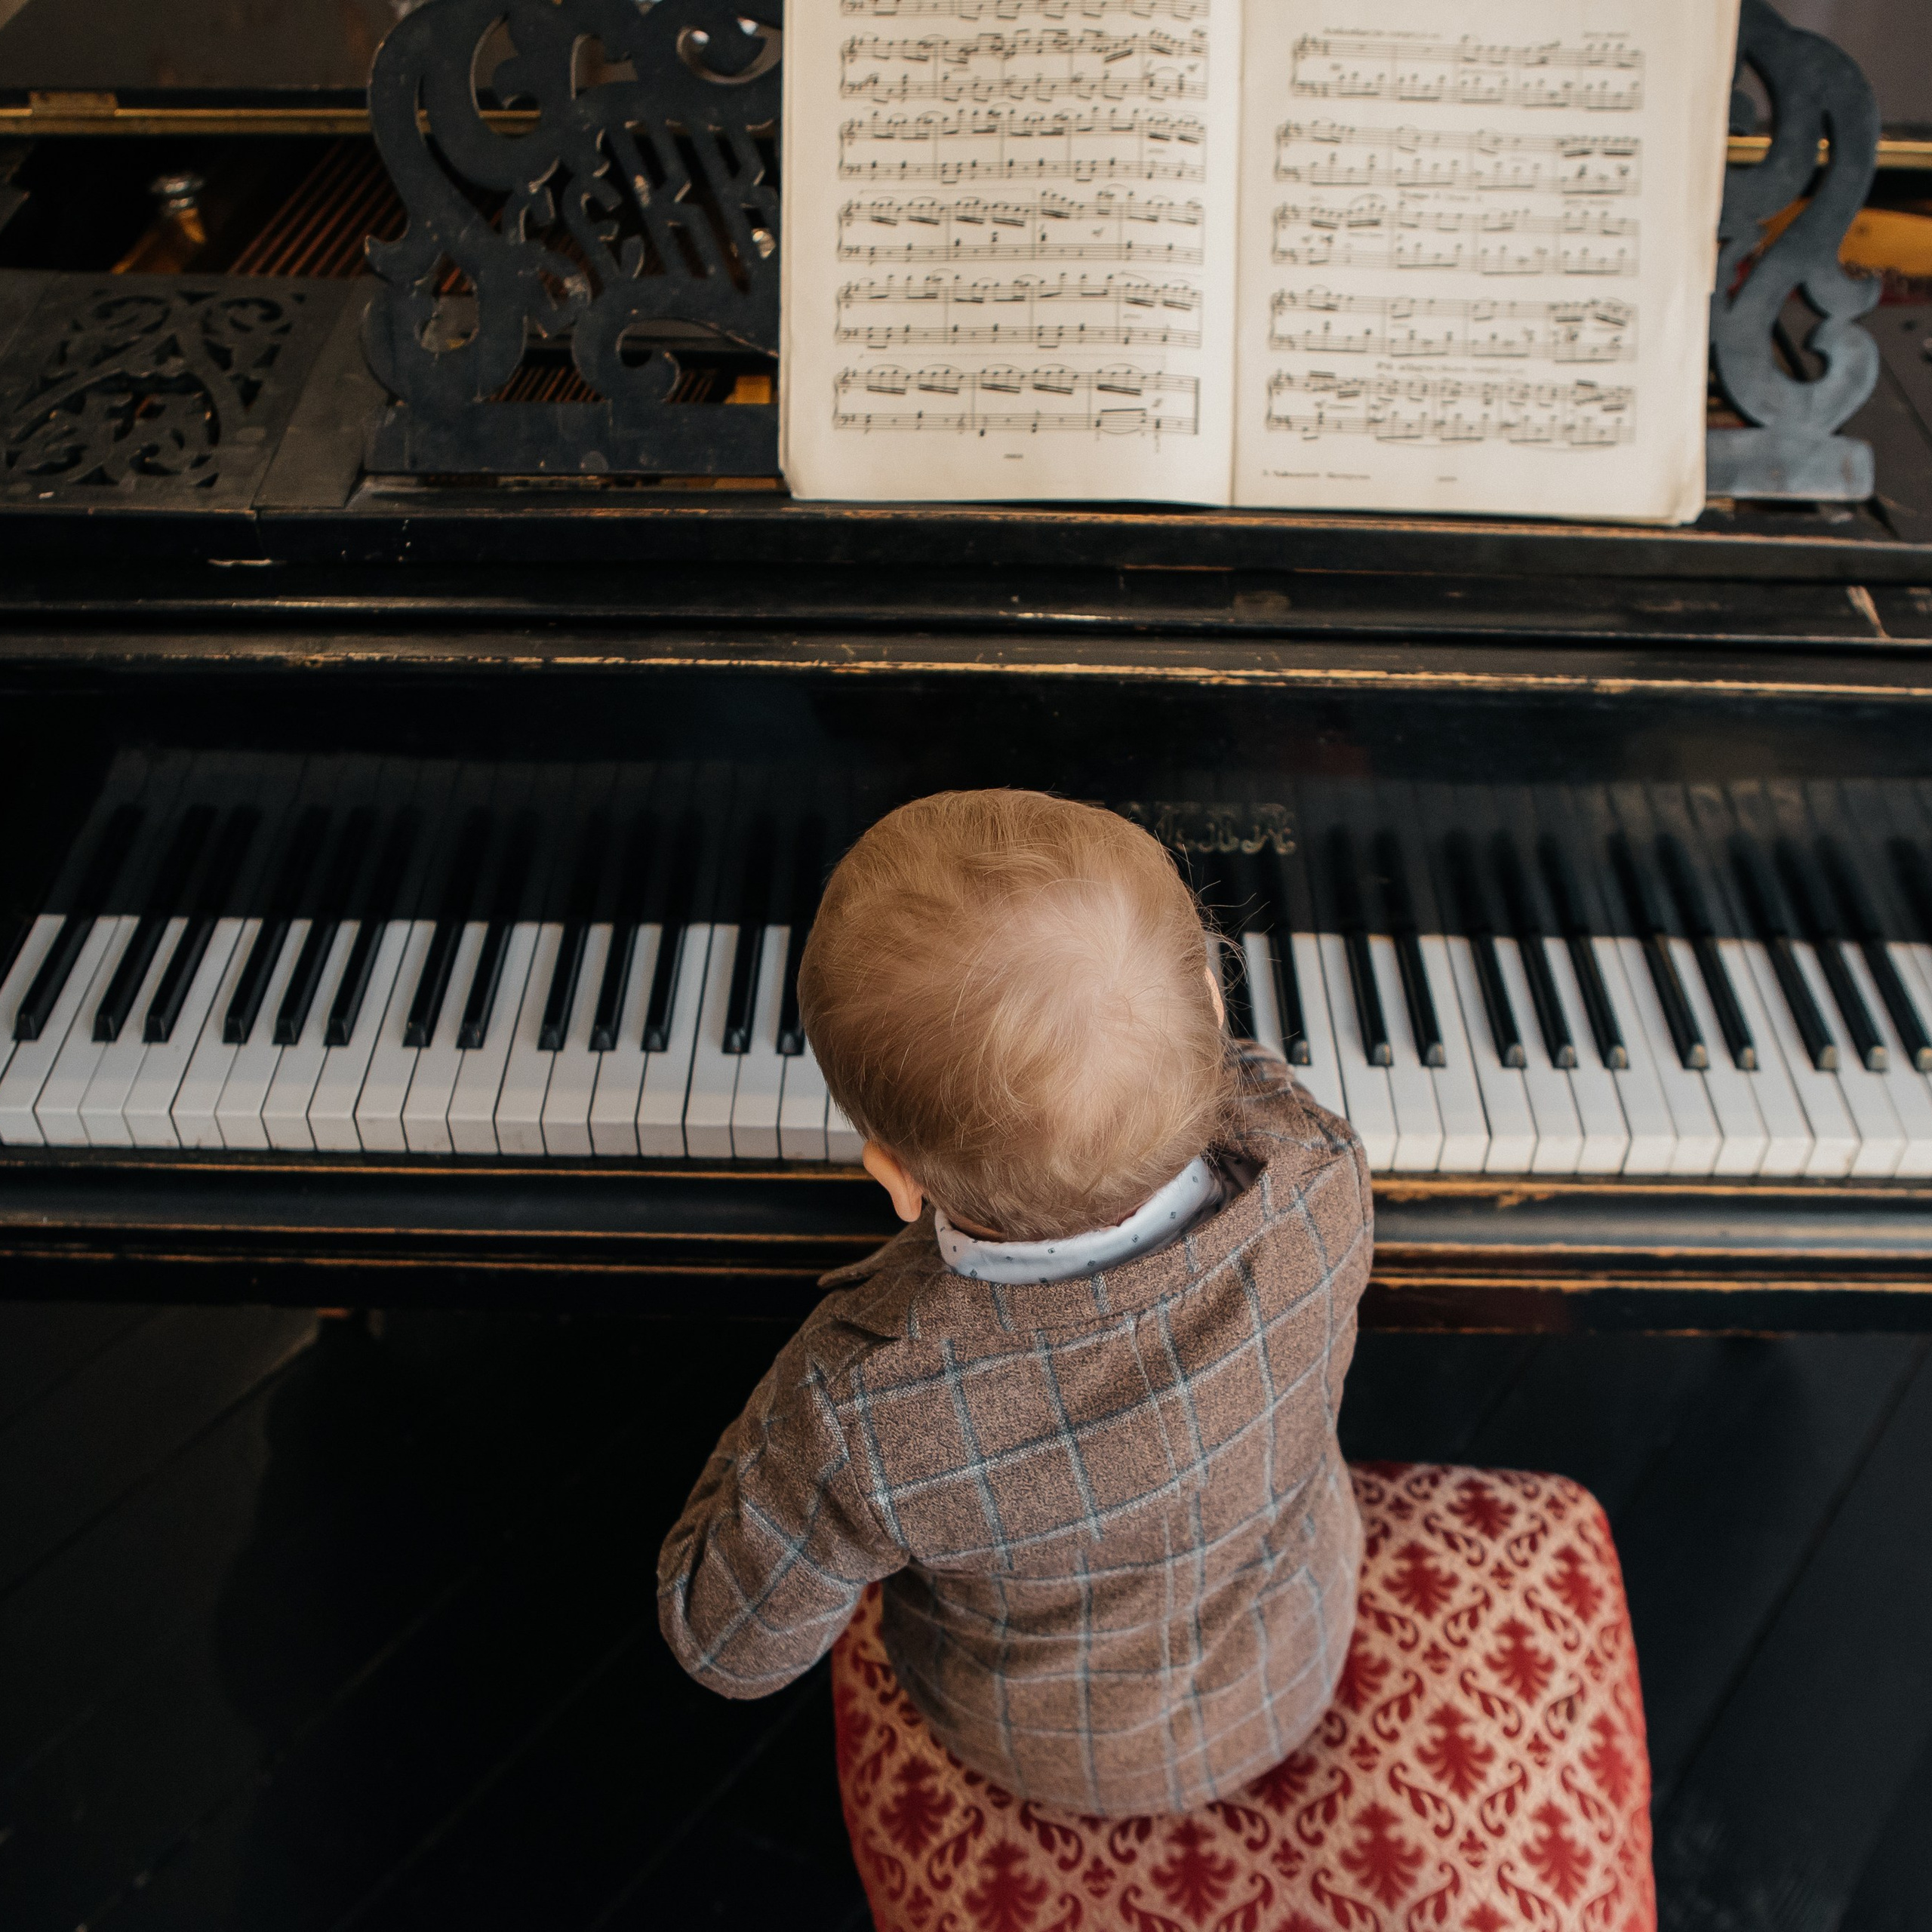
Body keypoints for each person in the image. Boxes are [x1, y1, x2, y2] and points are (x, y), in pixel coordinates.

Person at [657, 789, 1372, 1817]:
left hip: (1054, 1753)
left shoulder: (863, 1409)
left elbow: (721, 1642)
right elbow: (1236, 1083)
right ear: (1214, 1016)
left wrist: (789, 1416)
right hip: (1295, 1652)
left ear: (895, 1179)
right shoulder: (1322, 1168)